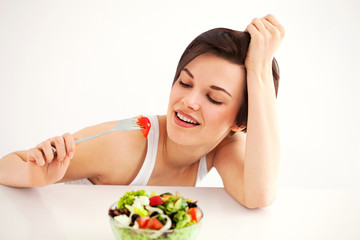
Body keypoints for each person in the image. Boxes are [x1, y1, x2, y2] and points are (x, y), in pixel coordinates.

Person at [0, 14, 284, 209]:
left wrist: (260, 71)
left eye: (214, 98)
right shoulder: (124, 145)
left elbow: (258, 195)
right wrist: (36, 176)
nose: (189, 101)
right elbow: (6, 167)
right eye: (184, 82)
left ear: (237, 122)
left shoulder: (224, 145)